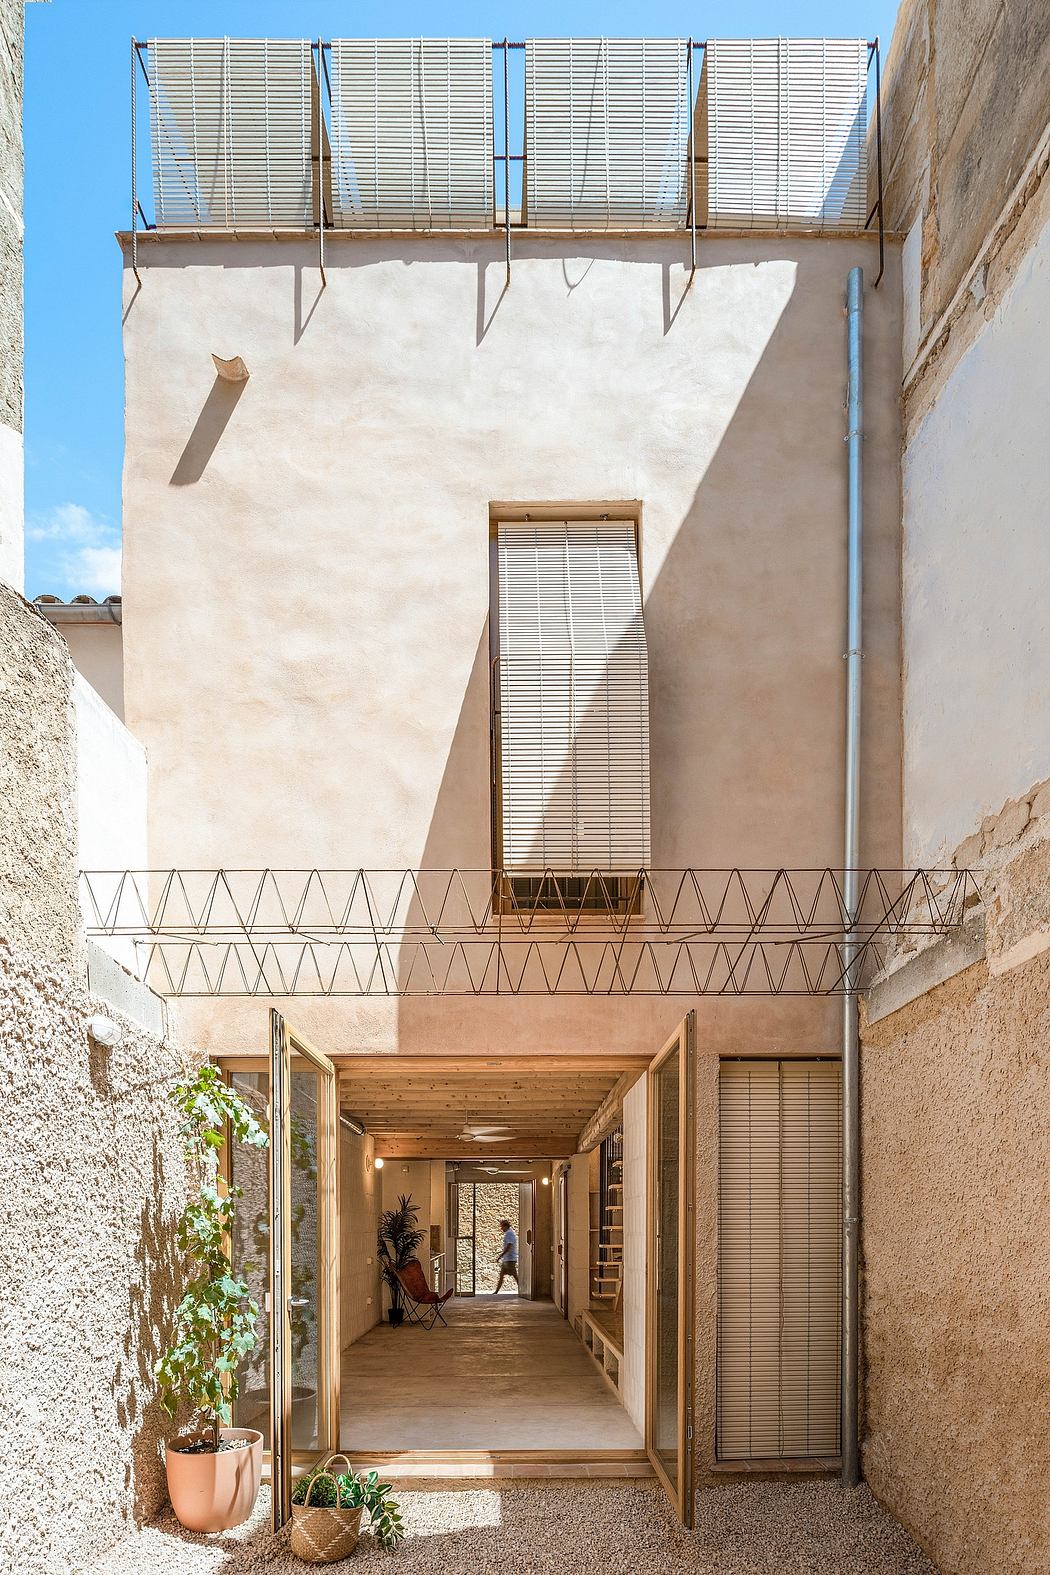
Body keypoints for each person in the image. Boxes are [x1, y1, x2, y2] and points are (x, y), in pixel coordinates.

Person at [494, 1217, 518, 1293]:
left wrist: (501, 1256)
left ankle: (523, 1289)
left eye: (502, 1227)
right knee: (502, 1275)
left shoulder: (509, 1233)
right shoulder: (509, 1233)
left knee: (515, 1276)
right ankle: (496, 1291)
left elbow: (509, 1245)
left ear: (505, 1226)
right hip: (507, 1259)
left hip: (510, 1259)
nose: (501, 1229)